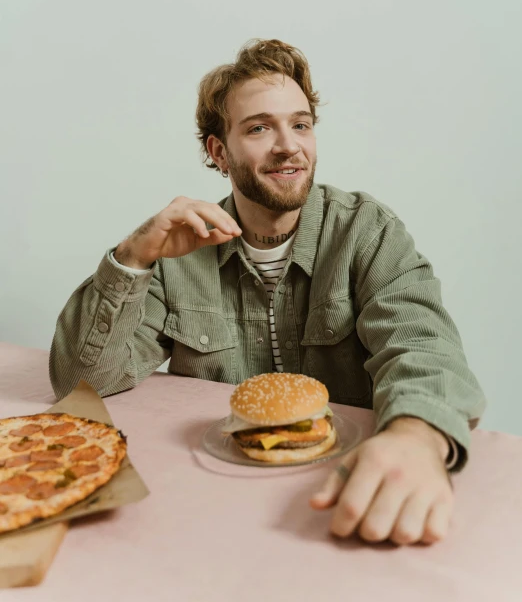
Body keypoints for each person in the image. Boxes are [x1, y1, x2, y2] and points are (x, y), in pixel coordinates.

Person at [50, 38, 486, 546]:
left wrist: (415, 436)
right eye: (260, 127)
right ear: (219, 151)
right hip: (209, 507)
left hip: (338, 497)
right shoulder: (176, 252)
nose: (289, 145)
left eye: (300, 124)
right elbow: (81, 383)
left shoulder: (367, 232)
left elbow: (425, 348)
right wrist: (132, 257)